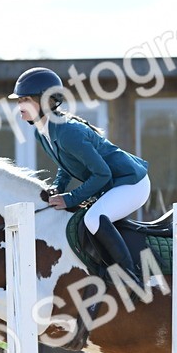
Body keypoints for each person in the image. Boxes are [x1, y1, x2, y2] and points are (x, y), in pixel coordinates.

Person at [10, 67, 151, 283]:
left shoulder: (68, 132)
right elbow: (65, 165)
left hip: (131, 183)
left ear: (46, 101)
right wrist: (58, 187)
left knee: (93, 219)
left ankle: (131, 277)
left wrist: (70, 198)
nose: (20, 106)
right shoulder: (41, 132)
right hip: (112, 184)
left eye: (26, 100)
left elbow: (102, 174)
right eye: (19, 100)